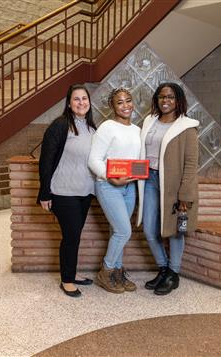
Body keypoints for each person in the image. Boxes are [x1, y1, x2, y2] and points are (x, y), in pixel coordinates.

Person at [137, 82, 199, 296]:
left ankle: (174, 273)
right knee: (149, 229)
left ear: (178, 100)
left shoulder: (187, 127)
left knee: (174, 231)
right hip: (150, 180)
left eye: (170, 97)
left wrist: (185, 194)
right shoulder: (149, 121)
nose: (166, 101)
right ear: (157, 99)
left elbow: (191, 163)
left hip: (173, 185)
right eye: (162, 97)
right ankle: (163, 267)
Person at [37, 84, 96, 298]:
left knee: (75, 235)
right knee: (71, 236)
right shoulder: (60, 125)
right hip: (63, 192)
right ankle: (67, 280)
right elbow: (46, 161)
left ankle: (71, 272)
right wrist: (45, 193)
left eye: (84, 98)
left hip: (85, 192)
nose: (81, 102)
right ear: (69, 104)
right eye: (76, 99)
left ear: (89, 102)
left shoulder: (92, 128)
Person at [88, 87, 141, 294]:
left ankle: (117, 272)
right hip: (108, 185)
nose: (125, 105)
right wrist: (110, 178)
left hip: (130, 187)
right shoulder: (107, 127)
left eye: (128, 100)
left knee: (117, 231)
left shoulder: (137, 130)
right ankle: (106, 271)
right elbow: (93, 160)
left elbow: (136, 161)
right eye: (120, 102)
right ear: (112, 106)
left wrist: (138, 174)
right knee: (123, 230)